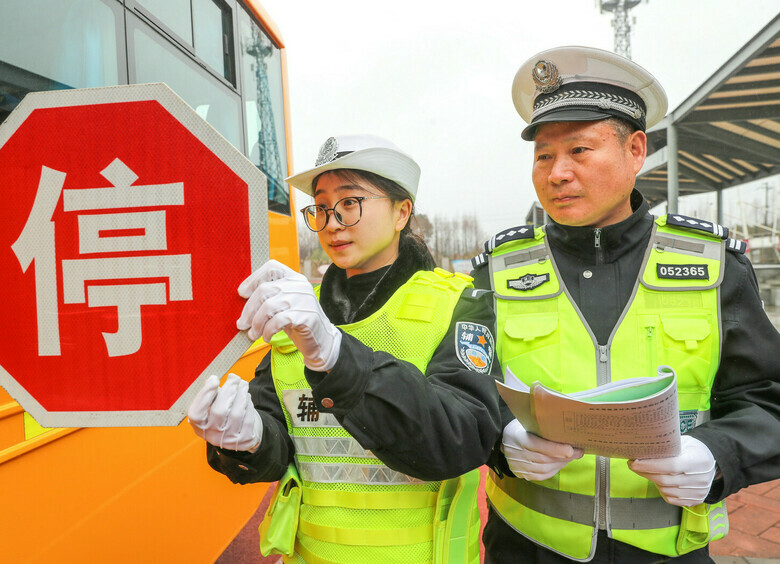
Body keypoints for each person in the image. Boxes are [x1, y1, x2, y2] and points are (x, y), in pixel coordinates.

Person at [471, 46, 780, 563]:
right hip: (526, 548)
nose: (556, 173)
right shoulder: (499, 269)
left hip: (666, 551)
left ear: (635, 150)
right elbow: (460, 392)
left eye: (579, 150)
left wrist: (719, 454)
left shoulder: (712, 265)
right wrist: (498, 442)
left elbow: (768, 398)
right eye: (543, 155)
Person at [188, 134, 503, 563]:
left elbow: (463, 438)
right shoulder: (297, 313)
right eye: (320, 208)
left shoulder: (459, 303)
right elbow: (282, 445)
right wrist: (248, 439)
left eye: (350, 203)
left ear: (401, 212)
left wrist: (337, 357)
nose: (331, 223)